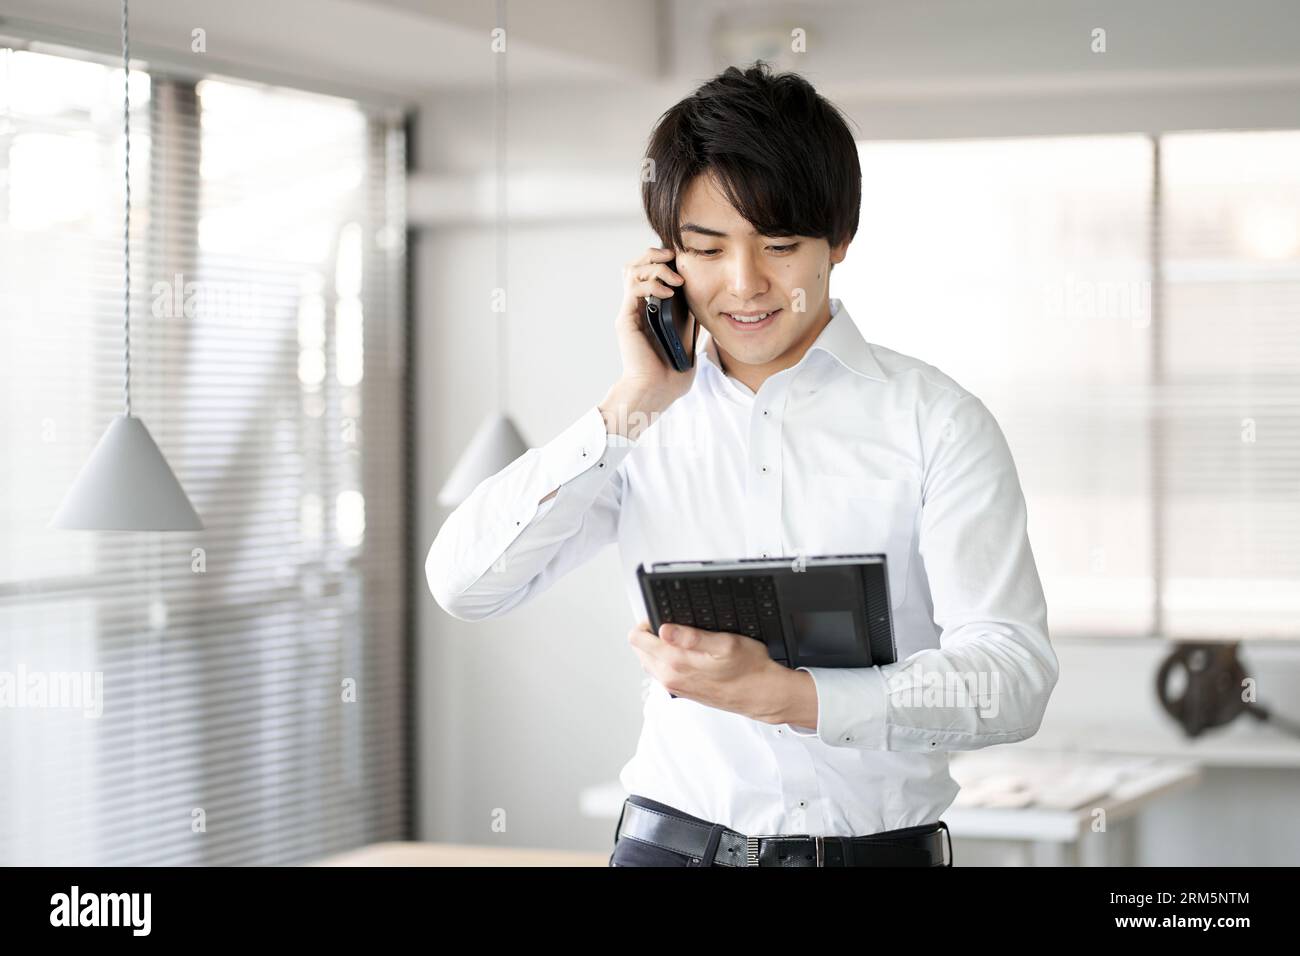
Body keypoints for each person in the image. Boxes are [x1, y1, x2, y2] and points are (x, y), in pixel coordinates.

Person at [426, 61, 1059, 867]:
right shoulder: (640, 423)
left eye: (782, 245)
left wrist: (795, 699)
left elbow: (1013, 676)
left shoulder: (936, 421)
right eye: (707, 248)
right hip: (670, 848)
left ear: (841, 240)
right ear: (666, 261)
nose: (746, 284)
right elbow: (465, 585)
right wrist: (631, 403)